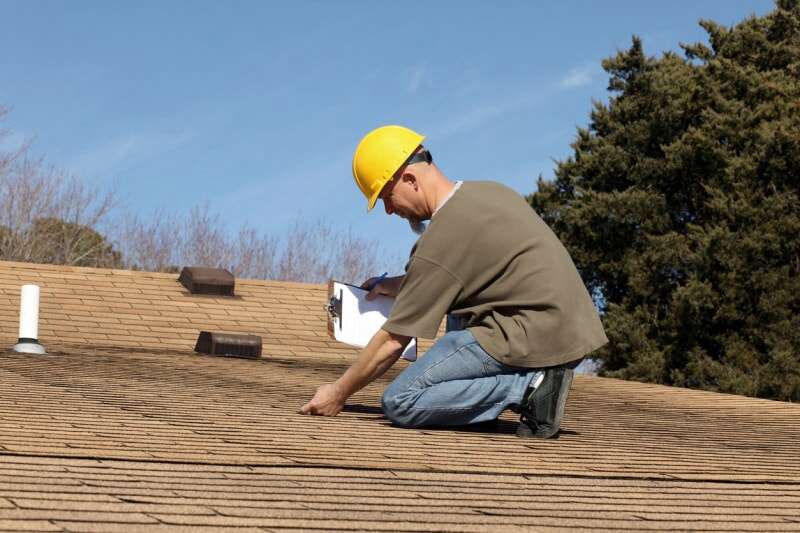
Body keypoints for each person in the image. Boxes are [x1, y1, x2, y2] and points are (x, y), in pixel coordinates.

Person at [299, 125, 607, 438]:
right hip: (565, 328)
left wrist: (338, 391)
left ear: (409, 179)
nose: (390, 210)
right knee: (456, 304)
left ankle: (530, 389)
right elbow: (455, 272)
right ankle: (479, 409)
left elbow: (392, 342)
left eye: (386, 197)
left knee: (400, 401)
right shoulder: (487, 193)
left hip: (532, 336)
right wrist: (394, 284)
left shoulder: (441, 239)